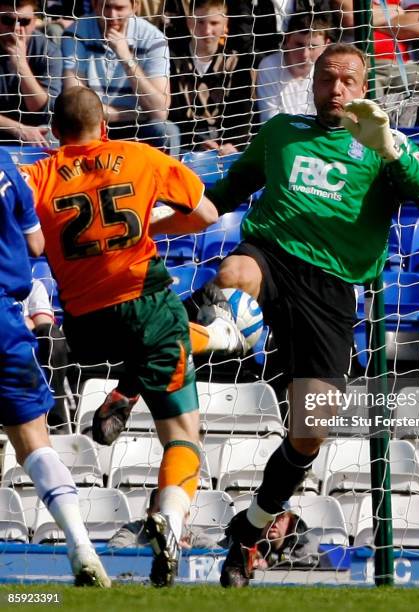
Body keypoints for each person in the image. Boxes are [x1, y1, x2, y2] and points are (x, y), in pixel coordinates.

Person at [199, 42, 419, 587]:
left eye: (347, 80)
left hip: (332, 292)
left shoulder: (385, 145)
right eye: (325, 79)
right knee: (233, 275)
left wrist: (392, 151)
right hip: (271, 256)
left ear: (365, 88)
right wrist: (168, 209)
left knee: (312, 430)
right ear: (311, 85)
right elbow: (224, 193)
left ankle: (252, 528)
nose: (335, 89)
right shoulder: (281, 132)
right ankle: (207, 339)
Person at [21, 85, 244, 587]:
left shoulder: (36, 174)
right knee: (184, 432)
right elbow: (209, 215)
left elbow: (29, 237)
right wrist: (152, 228)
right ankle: (170, 516)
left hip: (84, 324)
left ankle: (127, 388)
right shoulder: (139, 156)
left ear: (55, 133)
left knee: (161, 345)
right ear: (105, 128)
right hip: (145, 301)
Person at [0, 147, 110, 587]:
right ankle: (80, 544)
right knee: (35, 445)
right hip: (5, 323)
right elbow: (36, 243)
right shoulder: (5, 163)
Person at [61, 0, 173, 150]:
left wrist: (126, 58)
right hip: (90, 127)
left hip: (138, 127)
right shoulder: (75, 33)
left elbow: (160, 111)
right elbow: (76, 105)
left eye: (119, 8)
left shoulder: (154, 39)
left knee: (166, 131)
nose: (112, 15)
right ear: (95, 5)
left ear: (135, 7)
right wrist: (135, 114)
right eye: (106, 7)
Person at [168, 0, 254, 154]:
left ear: (225, 24)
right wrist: (198, 141)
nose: (207, 30)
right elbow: (173, 112)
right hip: (184, 141)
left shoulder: (235, 62)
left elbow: (242, 111)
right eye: (200, 22)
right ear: (189, 23)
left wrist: (233, 143)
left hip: (225, 144)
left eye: (214, 23)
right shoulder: (173, 60)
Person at [0, 0, 62, 145]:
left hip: (35, 130)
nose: (16, 29)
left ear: (35, 22)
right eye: (7, 20)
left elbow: (44, 111)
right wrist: (18, 129)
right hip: (11, 128)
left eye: (24, 21)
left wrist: (21, 65)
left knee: (51, 137)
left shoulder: (47, 51)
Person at [255, 13, 331, 124]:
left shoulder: (329, 69)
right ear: (287, 39)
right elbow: (269, 121)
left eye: (313, 47)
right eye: (299, 45)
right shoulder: (270, 66)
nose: (304, 54)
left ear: (326, 45)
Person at [22, 279, 71, 430]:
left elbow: (45, 323)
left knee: (52, 334)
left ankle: (55, 415)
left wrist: (9, 325)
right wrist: (25, 321)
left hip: (28, 349)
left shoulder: (32, 285)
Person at [220, 510, 321, 570]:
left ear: (291, 521)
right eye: (268, 515)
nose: (273, 521)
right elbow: (215, 553)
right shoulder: (239, 537)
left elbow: (308, 565)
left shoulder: (306, 542)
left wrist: (270, 562)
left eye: (280, 516)